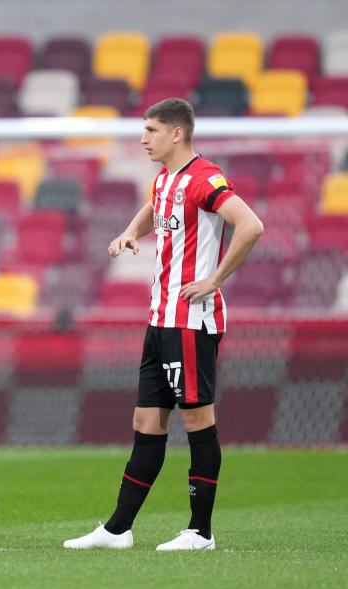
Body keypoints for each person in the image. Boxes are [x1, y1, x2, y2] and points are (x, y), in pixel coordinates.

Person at [64, 98, 264, 551]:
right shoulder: (166, 179)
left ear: (177, 134)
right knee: (147, 420)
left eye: (151, 130)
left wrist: (213, 279)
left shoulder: (205, 178)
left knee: (197, 420)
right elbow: (156, 208)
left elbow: (250, 225)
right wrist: (132, 231)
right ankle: (118, 529)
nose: (142, 138)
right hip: (161, 318)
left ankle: (201, 531)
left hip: (191, 321)